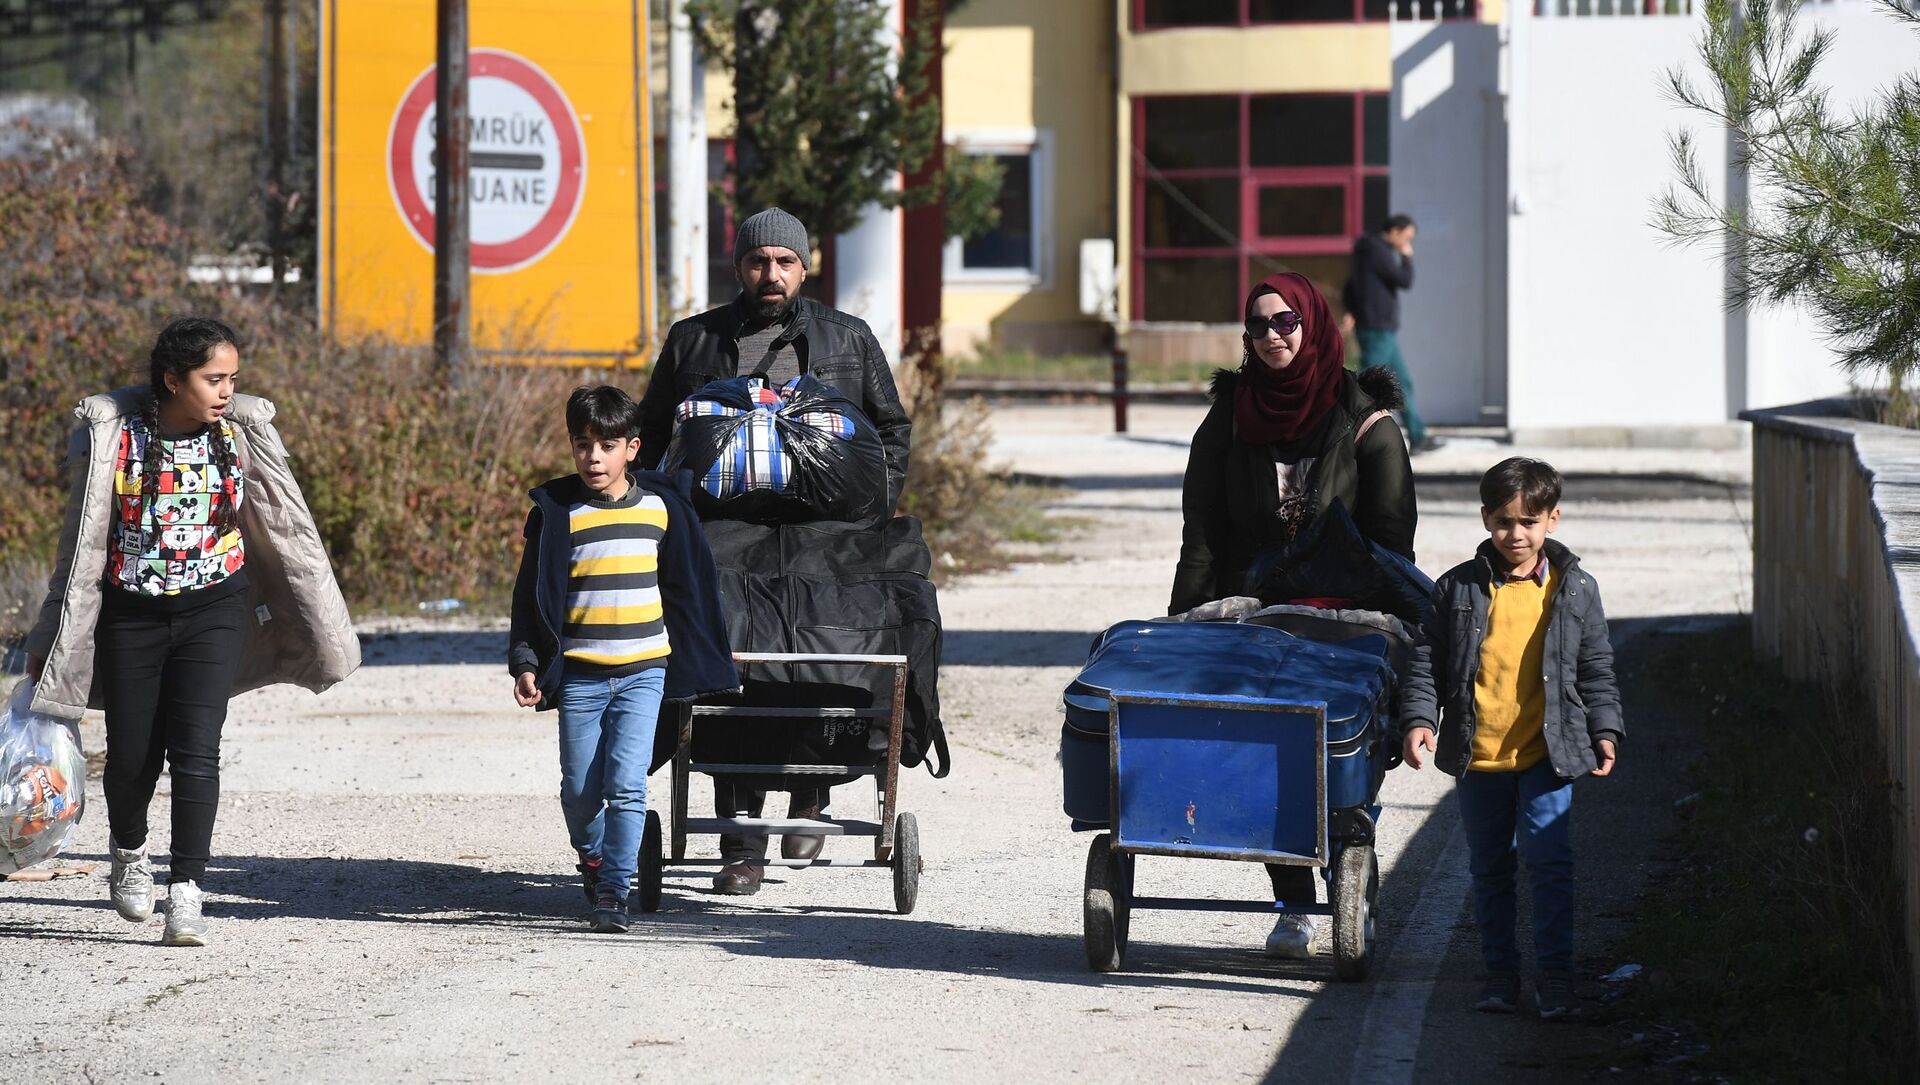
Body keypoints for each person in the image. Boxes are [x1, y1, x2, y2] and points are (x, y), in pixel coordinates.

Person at [23, 316, 359, 947]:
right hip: (133, 613)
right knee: (130, 756)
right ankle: (129, 854)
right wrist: (50, 629)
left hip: (215, 609)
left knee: (197, 748)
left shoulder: (240, 437)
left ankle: (186, 890)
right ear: (173, 380)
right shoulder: (114, 441)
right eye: (213, 379)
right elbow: (80, 542)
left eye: (233, 378)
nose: (226, 391)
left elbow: (285, 531)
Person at [638, 206, 912, 896]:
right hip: (726, 531)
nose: (772, 273)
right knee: (727, 658)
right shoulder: (693, 342)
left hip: (829, 534)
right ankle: (739, 838)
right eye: (759, 260)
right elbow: (647, 435)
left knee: (830, 645)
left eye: (785, 261)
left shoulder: (848, 338)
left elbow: (891, 430)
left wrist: (872, 505)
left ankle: (813, 794)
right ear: (740, 265)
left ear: (805, 266)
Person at [1171, 271, 1416, 958]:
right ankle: (1292, 902)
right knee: (1266, 754)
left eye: (1285, 322)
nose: (1272, 335)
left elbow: (1391, 547)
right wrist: (1178, 628)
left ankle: (1351, 871)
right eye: (1258, 325)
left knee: (1340, 749)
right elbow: (1203, 538)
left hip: (1350, 615)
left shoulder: (1369, 425)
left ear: (1312, 324)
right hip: (1258, 614)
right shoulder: (1227, 422)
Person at [1398, 457, 1623, 1020]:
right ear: (1484, 519)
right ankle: (1500, 976)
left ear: (1552, 519)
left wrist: (1605, 728)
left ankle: (1556, 978)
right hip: (1480, 756)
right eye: (1502, 522)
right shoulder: (1457, 589)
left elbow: (1596, 666)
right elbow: (1427, 661)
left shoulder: (1575, 590)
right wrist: (1420, 718)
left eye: (1528, 521)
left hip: (1549, 753)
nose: (1514, 535)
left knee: (1549, 863)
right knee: (1490, 869)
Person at [509, 386, 738, 932]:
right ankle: (591, 857)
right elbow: (529, 599)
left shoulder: (662, 512)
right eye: (582, 445)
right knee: (581, 791)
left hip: (644, 672)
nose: (593, 457)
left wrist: (705, 659)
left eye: (607, 446)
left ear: (632, 449)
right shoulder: (557, 516)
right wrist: (526, 661)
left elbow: (689, 592)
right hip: (581, 677)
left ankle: (613, 891)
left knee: (627, 784)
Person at [1341, 213, 1438, 453]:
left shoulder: (1366, 250)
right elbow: (1404, 280)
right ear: (1394, 231)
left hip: (1380, 328)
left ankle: (1417, 436)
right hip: (1377, 328)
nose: (1407, 244)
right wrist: (1406, 258)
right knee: (1368, 384)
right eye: (1406, 238)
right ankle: (1349, 433)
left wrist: (1352, 309)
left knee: (1401, 382)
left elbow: (1351, 285)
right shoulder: (1377, 250)